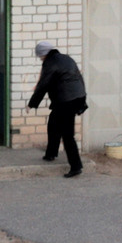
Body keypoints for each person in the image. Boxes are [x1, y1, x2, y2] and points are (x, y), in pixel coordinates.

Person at [26, 41, 88, 177]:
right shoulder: (66, 58)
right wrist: (82, 100)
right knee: (53, 123)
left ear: (44, 54)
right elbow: (79, 78)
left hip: (66, 101)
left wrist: (31, 103)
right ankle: (51, 154)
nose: (40, 58)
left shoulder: (50, 63)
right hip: (76, 97)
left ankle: (76, 166)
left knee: (67, 134)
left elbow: (43, 85)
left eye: (40, 56)